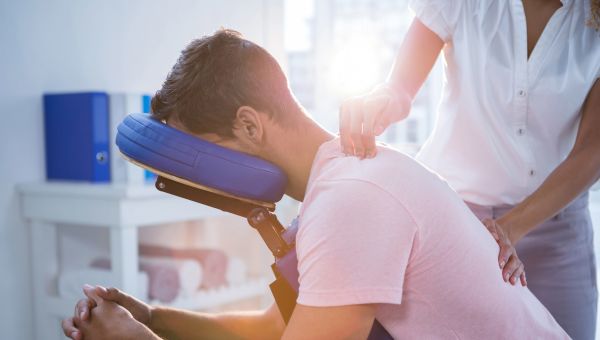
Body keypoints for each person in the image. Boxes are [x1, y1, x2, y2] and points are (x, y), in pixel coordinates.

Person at [62, 29, 569, 340]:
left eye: (202, 153)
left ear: (249, 125)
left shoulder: (352, 200)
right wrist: (154, 317)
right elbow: (273, 329)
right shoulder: (340, 184)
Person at [338, 1, 600, 339]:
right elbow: (400, 88)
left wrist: (509, 228)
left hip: (556, 231)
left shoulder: (592, 20)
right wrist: (382, 102)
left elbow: (592, 151)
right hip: (458, 220)